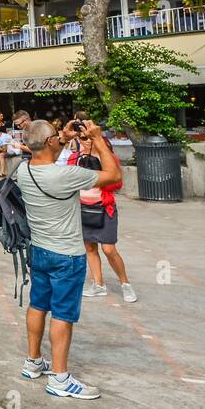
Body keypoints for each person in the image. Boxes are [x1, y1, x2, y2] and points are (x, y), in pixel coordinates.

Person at [15, 119, 121, 400]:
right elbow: (112, 175)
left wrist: (61, 137)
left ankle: (33, 361)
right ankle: (60, 378)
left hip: (39, 250)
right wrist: (97, 138)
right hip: (67, 255)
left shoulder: (24, 170)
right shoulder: (66, 175)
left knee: (38, 304)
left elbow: (45, 151)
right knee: (63, 314)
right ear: (49, 142)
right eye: (55, 135)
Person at [72, 127, 135, 302]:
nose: (84, 141)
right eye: (82, 138)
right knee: (90, 247)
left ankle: (125, 284)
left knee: (109, 248)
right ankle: (98, 284)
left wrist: (96, 176)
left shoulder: (107, 158)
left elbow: (117, 183)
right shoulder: (75, 158)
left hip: (104, 208)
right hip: (83, 208)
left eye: (88, 138)